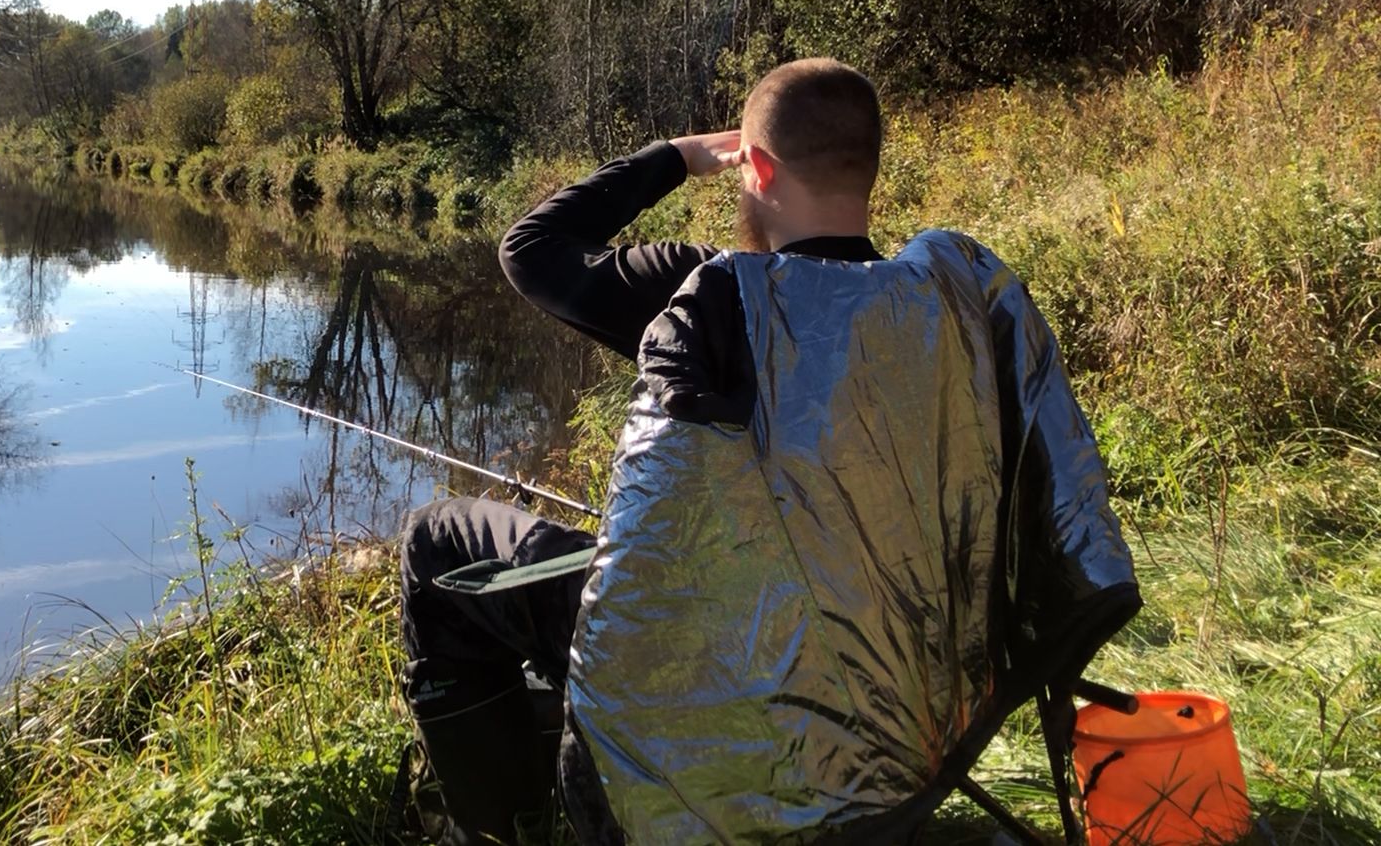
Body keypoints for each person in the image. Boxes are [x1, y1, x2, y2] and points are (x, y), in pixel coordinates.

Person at [398, 58, 1138, 844]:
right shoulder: (944, 308)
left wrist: (676, 158)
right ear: (866, 167)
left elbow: (532, 248)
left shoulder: (715, 299)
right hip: (906, 691)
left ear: (754, 167)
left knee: (437, 542)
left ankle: (505, 827)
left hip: (710, 665)